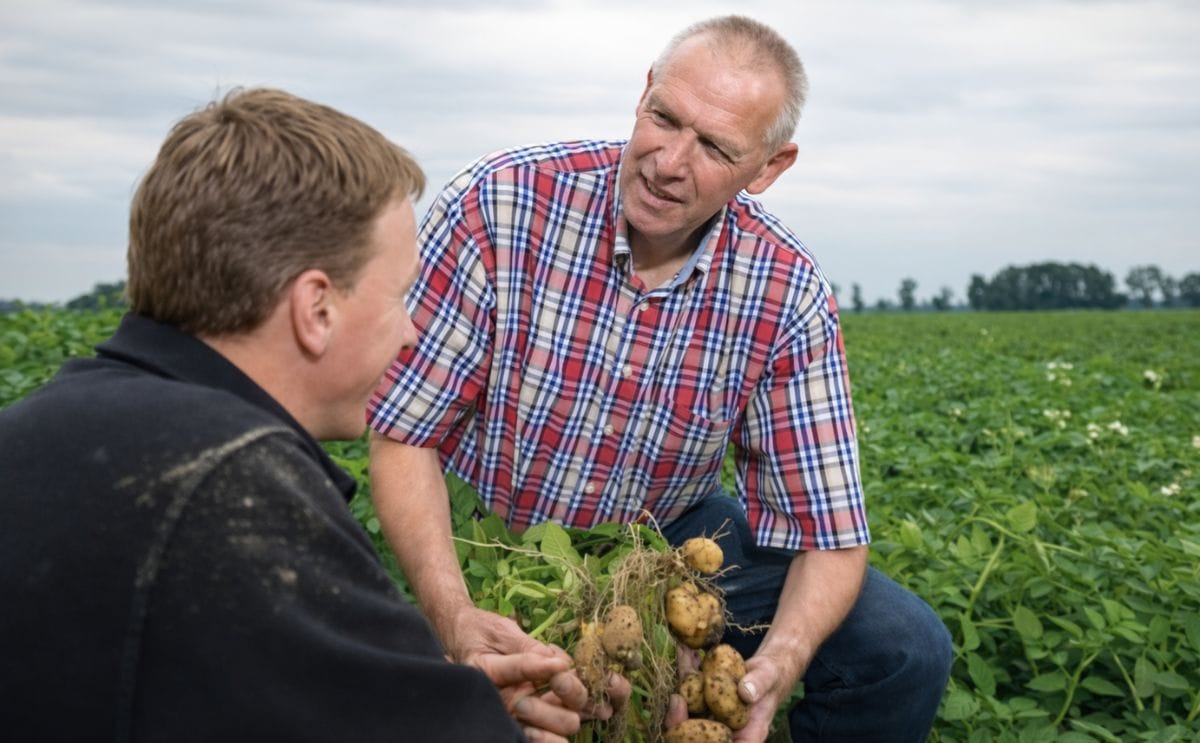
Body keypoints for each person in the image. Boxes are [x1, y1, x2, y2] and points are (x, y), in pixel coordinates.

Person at [368, 15, 954, 743]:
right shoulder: (503, 202)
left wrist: (777, 661)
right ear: (644, 92)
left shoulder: (784, 287)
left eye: (714, 147)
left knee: (903, 648)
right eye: (664, 118)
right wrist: (454, 616)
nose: (669, 162)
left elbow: (828, 532)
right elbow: (403, 433)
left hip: (665, 531)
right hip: (485, 522)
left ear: (769, 167)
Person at [0, 88, 586, 742]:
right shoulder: (234, 480)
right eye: (398, 295)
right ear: (317, 310)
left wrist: (440, 700)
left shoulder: (42, 428)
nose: (411, 332)